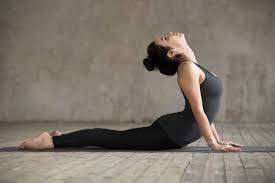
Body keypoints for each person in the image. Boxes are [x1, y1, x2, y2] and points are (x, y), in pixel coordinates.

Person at [18, 32, 242, 152]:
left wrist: (219, 141)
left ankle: (63, 138)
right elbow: (198, 110)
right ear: (172, 52)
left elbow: (206, 111)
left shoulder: (191, 65)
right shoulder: (187, 69)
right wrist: (213, 144)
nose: (170, 33)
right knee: (110, 139)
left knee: (111, 138)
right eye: (165, 38)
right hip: (170, 133)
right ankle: (49, 142)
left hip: (178, 132)